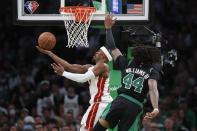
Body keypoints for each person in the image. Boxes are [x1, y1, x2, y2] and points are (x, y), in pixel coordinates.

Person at [93, 14, 161, 131]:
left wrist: (108, 28)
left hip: (120, 100)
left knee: (99, 128)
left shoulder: (128, 63)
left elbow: (112, 47)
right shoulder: (152, 69)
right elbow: (152, 87)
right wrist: (155, 108)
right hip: (135, 106)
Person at [36, 44, 113, 130]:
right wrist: (50, 54)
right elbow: (69, 66)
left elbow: (83, 78)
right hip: (102, 105)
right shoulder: (90, 67)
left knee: (85, 129)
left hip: (100, 103)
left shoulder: (103, 65)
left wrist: (63, 73)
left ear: (104, 56)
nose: (96, 52)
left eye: (99, 52)